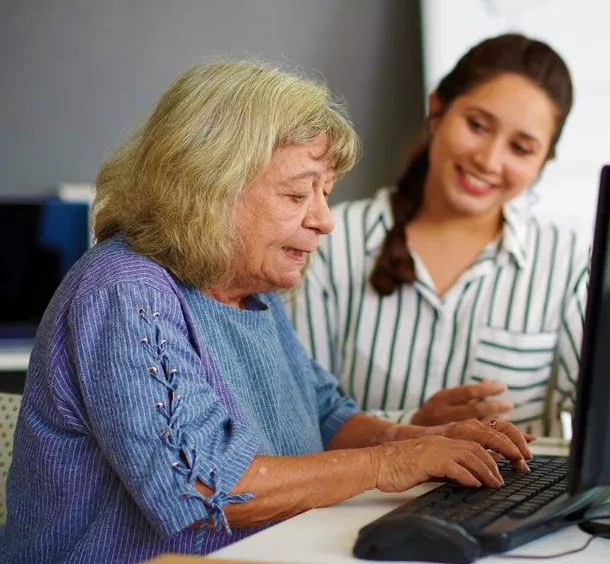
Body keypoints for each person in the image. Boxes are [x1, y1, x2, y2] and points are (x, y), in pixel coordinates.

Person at [0, 61, 533, 564]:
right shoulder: (124, 291)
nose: (324, 220)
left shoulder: (250, 288)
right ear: (208, 188)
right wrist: (389, 464)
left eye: (324, 194)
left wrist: (426, 443)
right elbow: (205, 491)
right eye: (299, 194)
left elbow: (324, 417)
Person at [294, 34, 589, 436]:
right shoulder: (328, 243)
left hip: (509, 496)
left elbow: (606, 411)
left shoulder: (568, 263)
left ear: (543, 163)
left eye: (521, 148)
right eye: (477, 125)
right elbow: (299, 418)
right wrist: (413, 428)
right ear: (437, 111)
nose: (488, 160)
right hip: (367, 498)